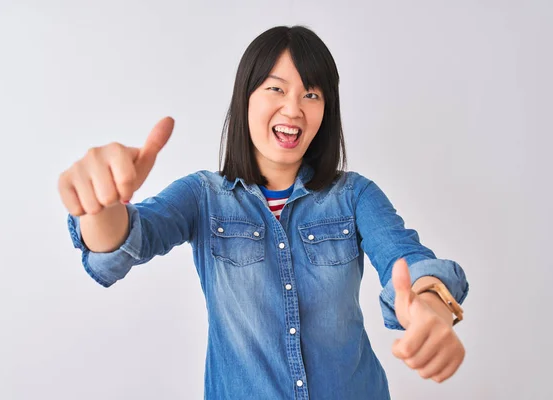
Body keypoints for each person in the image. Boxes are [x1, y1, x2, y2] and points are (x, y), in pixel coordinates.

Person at [59, 25, 469, 399]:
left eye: (311, 94)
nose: (294, 109)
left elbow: (410, 261)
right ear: (246, 97)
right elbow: (126, 241)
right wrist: (100, 206)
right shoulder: (203, 196)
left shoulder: (354, 195)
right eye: (276, 89)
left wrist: (430, 309)